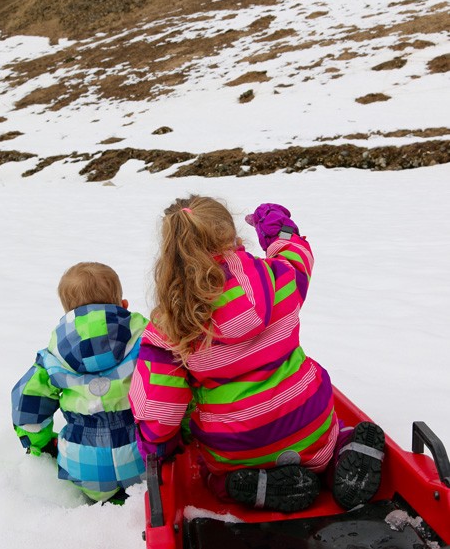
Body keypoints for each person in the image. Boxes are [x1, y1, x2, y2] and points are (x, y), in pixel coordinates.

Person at [129, 196, 385, 512]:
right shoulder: (279, 276)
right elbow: (297, 255)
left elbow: (160, 403)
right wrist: (277, 226)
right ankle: (338, 457)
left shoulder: (171, 322)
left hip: (236, 448)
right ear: (233, 237)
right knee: (324, 437)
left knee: (216, 476)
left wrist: (158, 446)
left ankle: (252, 486)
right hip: (307, 420)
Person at [12, 261, 148, 503]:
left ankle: (102, 502)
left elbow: (27, 404)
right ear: (123, 305)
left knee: (96, 482)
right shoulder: (144, 340)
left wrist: (41, 446)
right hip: (142, 457)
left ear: (67, 313)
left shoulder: (54, 356)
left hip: (83, 466)